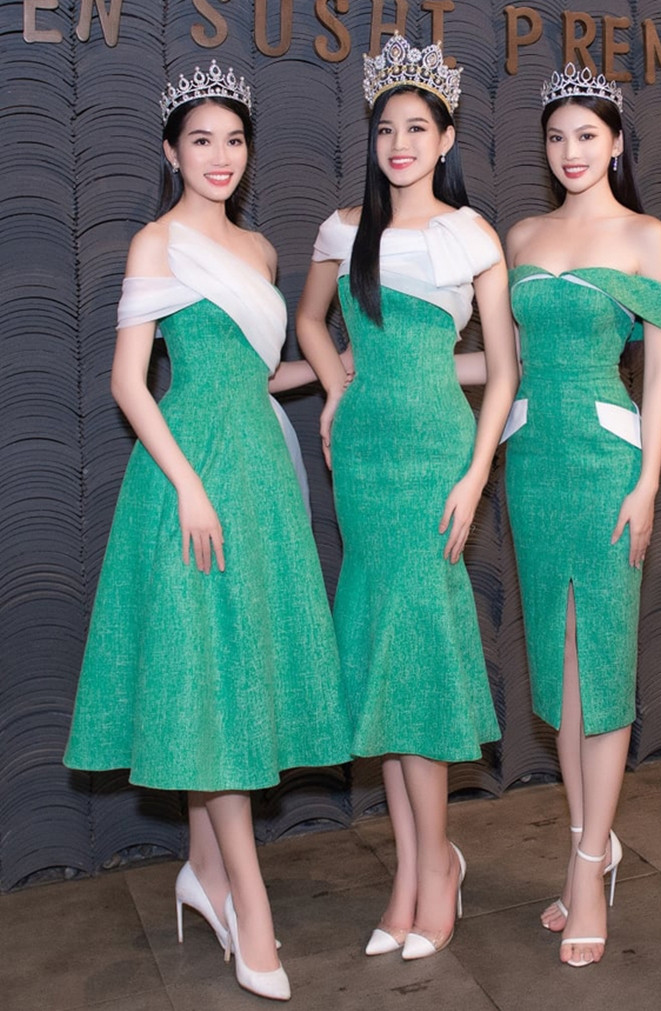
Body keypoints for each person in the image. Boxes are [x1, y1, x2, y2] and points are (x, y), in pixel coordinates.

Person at [63, 60, 352, 1001]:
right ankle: (250, 908)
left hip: (261, 472)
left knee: (225, 669)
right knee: (208, 672)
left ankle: (203, 870)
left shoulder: (262, 251)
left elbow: (253, 375)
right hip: (188, 476)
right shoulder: (156, 242)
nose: (219, 156)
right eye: (201, 140)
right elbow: (128, 381)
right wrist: (187, 485)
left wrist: (335, 368)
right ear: (170, 150)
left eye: (233, 140)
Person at [296, 35, 518, 961]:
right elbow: (310, 321)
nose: (400, 144)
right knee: (383, 665)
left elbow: (504, 370)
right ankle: (410, 873)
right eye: (387, 128)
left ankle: (436, 871)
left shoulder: (472, 235)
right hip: (364, 462)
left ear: (446, 137)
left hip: (436, 459)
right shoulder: (343, 230)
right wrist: (335, 391)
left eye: (417, 128)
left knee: (419, 665)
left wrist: (475, 474)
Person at [504, 64, 661, 968]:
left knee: (601, 662)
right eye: (556, 136)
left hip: (609, 463)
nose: (570, 151)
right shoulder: (523, 234)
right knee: (561, 663)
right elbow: (503, 365)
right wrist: (366, 374)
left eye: (586, 135)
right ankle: (590, 843)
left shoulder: (646, 236)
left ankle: (584, 869)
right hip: (532, 461)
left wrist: (647, 484)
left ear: (614, 143)